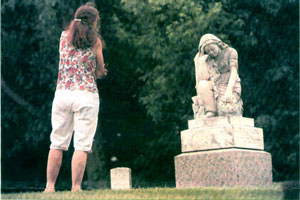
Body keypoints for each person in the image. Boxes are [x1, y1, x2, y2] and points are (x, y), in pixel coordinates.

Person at [44, 2, 107, 193]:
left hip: (63, 93)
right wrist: (101, 71)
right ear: (94, 22)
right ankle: (76, 187)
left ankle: (49, 187)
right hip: (86, 95)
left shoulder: (63, 37)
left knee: (57, 142)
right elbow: (99, 69)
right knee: (81, 144)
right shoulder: (95, 42)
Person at [192, 34, 242, 118]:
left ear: (218, 44)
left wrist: (229, 91)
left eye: (213, 49)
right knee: (203, 84)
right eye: (208, 51)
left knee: (224, 110)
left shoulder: (231, 52)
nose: (211, 52)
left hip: (230, 84)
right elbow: (202, 78)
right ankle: (211, 110)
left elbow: (234, 72)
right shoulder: (208, 59)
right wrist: (200, 61)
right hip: (216, 84)